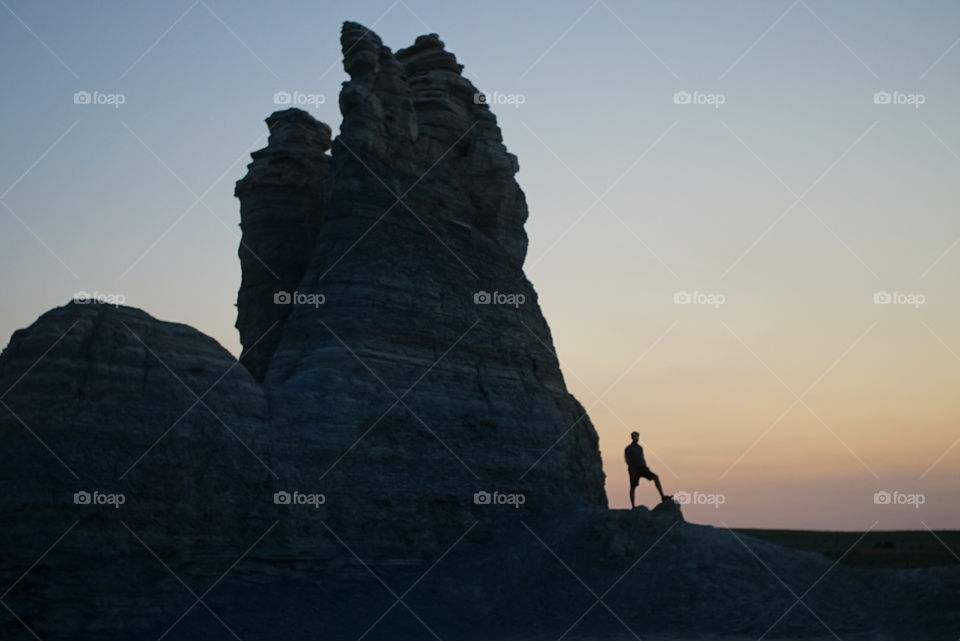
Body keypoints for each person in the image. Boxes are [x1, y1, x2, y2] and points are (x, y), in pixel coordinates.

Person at [625, 431, 671, 508]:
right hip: (634, 469)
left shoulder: (640, 448)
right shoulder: (629, 449)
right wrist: (632, 471)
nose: (636, 438)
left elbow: (642, 458)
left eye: (637, 436)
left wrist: (645, 466)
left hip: (643, 468)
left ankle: (663, 496)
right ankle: (633, 506)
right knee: (633, 487)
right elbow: (628, 460)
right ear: (632, 437)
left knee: (655, 477)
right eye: (635, 436)